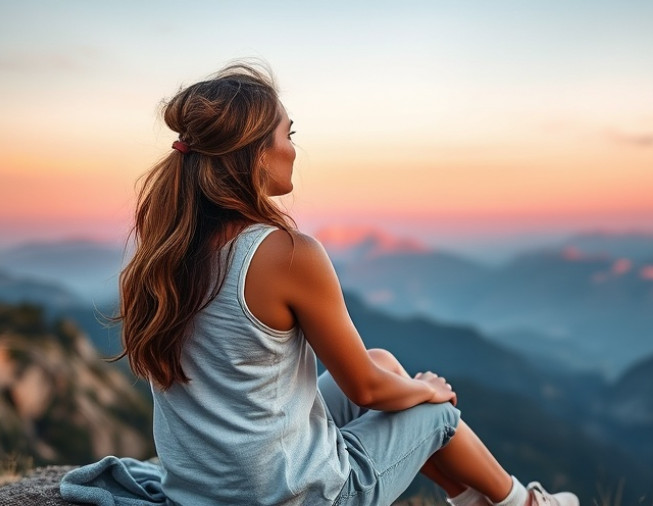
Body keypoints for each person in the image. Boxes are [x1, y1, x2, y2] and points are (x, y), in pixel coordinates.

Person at [115, 61, 580, 506]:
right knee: (436, 414)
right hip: (287, 496)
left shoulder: (163, 255)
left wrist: (406, 386)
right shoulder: (287, 253)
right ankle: (525, 504)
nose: (293, 148)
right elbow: (366, 391)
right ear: (257, 152)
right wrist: (427, 391)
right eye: (288, 133)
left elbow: (368, 374)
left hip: (199, 493)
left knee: (382, 361)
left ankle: (475, 499)